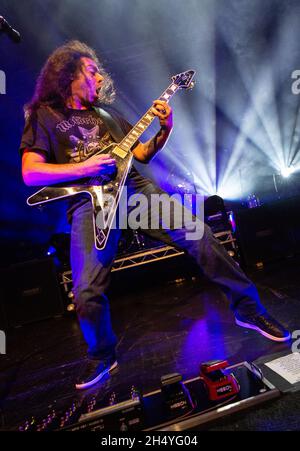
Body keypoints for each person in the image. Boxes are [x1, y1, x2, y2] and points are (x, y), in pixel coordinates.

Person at [20, 41, 290, 390]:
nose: (100, 78)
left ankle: (247, 309)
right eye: (91, 72)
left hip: (136, 193)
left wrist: (165, 128)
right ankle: (103, 355)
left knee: (200, 234)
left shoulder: (107, 116)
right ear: (67, 75)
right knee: (86, 290)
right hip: (90, 204)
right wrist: (85, 166)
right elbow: (31, 173)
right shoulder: (45, 115)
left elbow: (143, 153)